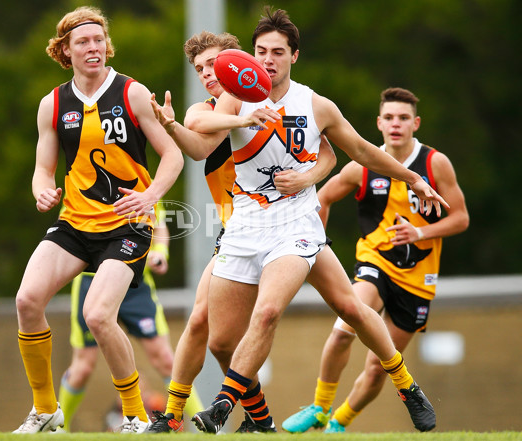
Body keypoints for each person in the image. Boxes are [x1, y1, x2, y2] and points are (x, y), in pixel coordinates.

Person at [183, 7, 447, 434]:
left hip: (296, 224)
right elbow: (196, 121)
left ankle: (221, 407)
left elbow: (361, 151)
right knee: (224, 340)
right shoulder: (236, 95)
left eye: (277, 52)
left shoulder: (315, 104)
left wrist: (413, 177)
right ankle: (264, 421)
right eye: (260, 51)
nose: (267, 60)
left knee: (267, 313)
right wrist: (241, 117)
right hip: (245, 226)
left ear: (294, 56)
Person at [147, 31, 337, 433]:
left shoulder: (267, 106)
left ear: (238, 62)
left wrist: (308, 178)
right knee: (206, 326)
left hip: (286, 229)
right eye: (200, 70)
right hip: (241, 232)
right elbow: (197, 141)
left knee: (350, 310)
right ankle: (197, 416)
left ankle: (391, 388)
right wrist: (172, 126)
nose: (208, 74)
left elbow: (328, 150)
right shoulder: (214, 114)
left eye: (214, 65)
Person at [13, 6, 183, 434]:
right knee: (27, 301)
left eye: (98, 40)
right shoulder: (53, 104)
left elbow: (173, 155)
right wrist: (42, 191)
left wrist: (150, 195)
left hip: (128, 226)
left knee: (98, 315)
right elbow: (42, 169)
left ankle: (135, 415)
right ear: (64, 50)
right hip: (75, 223)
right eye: (82, 42)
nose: (93, 48)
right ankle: (46, 410)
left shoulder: (131, 93)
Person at [282, 87, 469, 433]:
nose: (395, 124)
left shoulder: (434, 163)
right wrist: (315, 248)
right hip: (374, 261)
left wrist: (420, 233)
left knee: (377, 366)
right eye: (389, 118)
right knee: (345, 328)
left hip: (418, 278)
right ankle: (321, 406)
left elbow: (460, 218)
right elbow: (322, 199)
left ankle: (338, 423)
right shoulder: (362, 167)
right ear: (379, 123)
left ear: (415, 123)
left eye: (403, 118)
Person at [57, 204, 203, 432]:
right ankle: (58, 427)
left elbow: (159, 226)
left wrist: (160, 253)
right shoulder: (83, 176)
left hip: (135, 283)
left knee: (165, 358)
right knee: (82, 368)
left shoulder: (146, 182)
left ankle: (203, 429)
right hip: (91, 280)